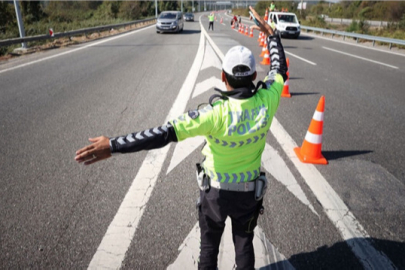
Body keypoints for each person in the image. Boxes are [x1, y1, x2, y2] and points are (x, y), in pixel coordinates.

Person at [75, 6, 287, 270]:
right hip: (248, 193)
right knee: (244, 245)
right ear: (255, 76)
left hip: (215, 195)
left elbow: (162, 134)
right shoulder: (268, 100)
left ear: (223, 77)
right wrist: (272, 36)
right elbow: (279, 68)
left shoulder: (212, 114)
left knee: (208, 249)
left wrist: (114, 145)